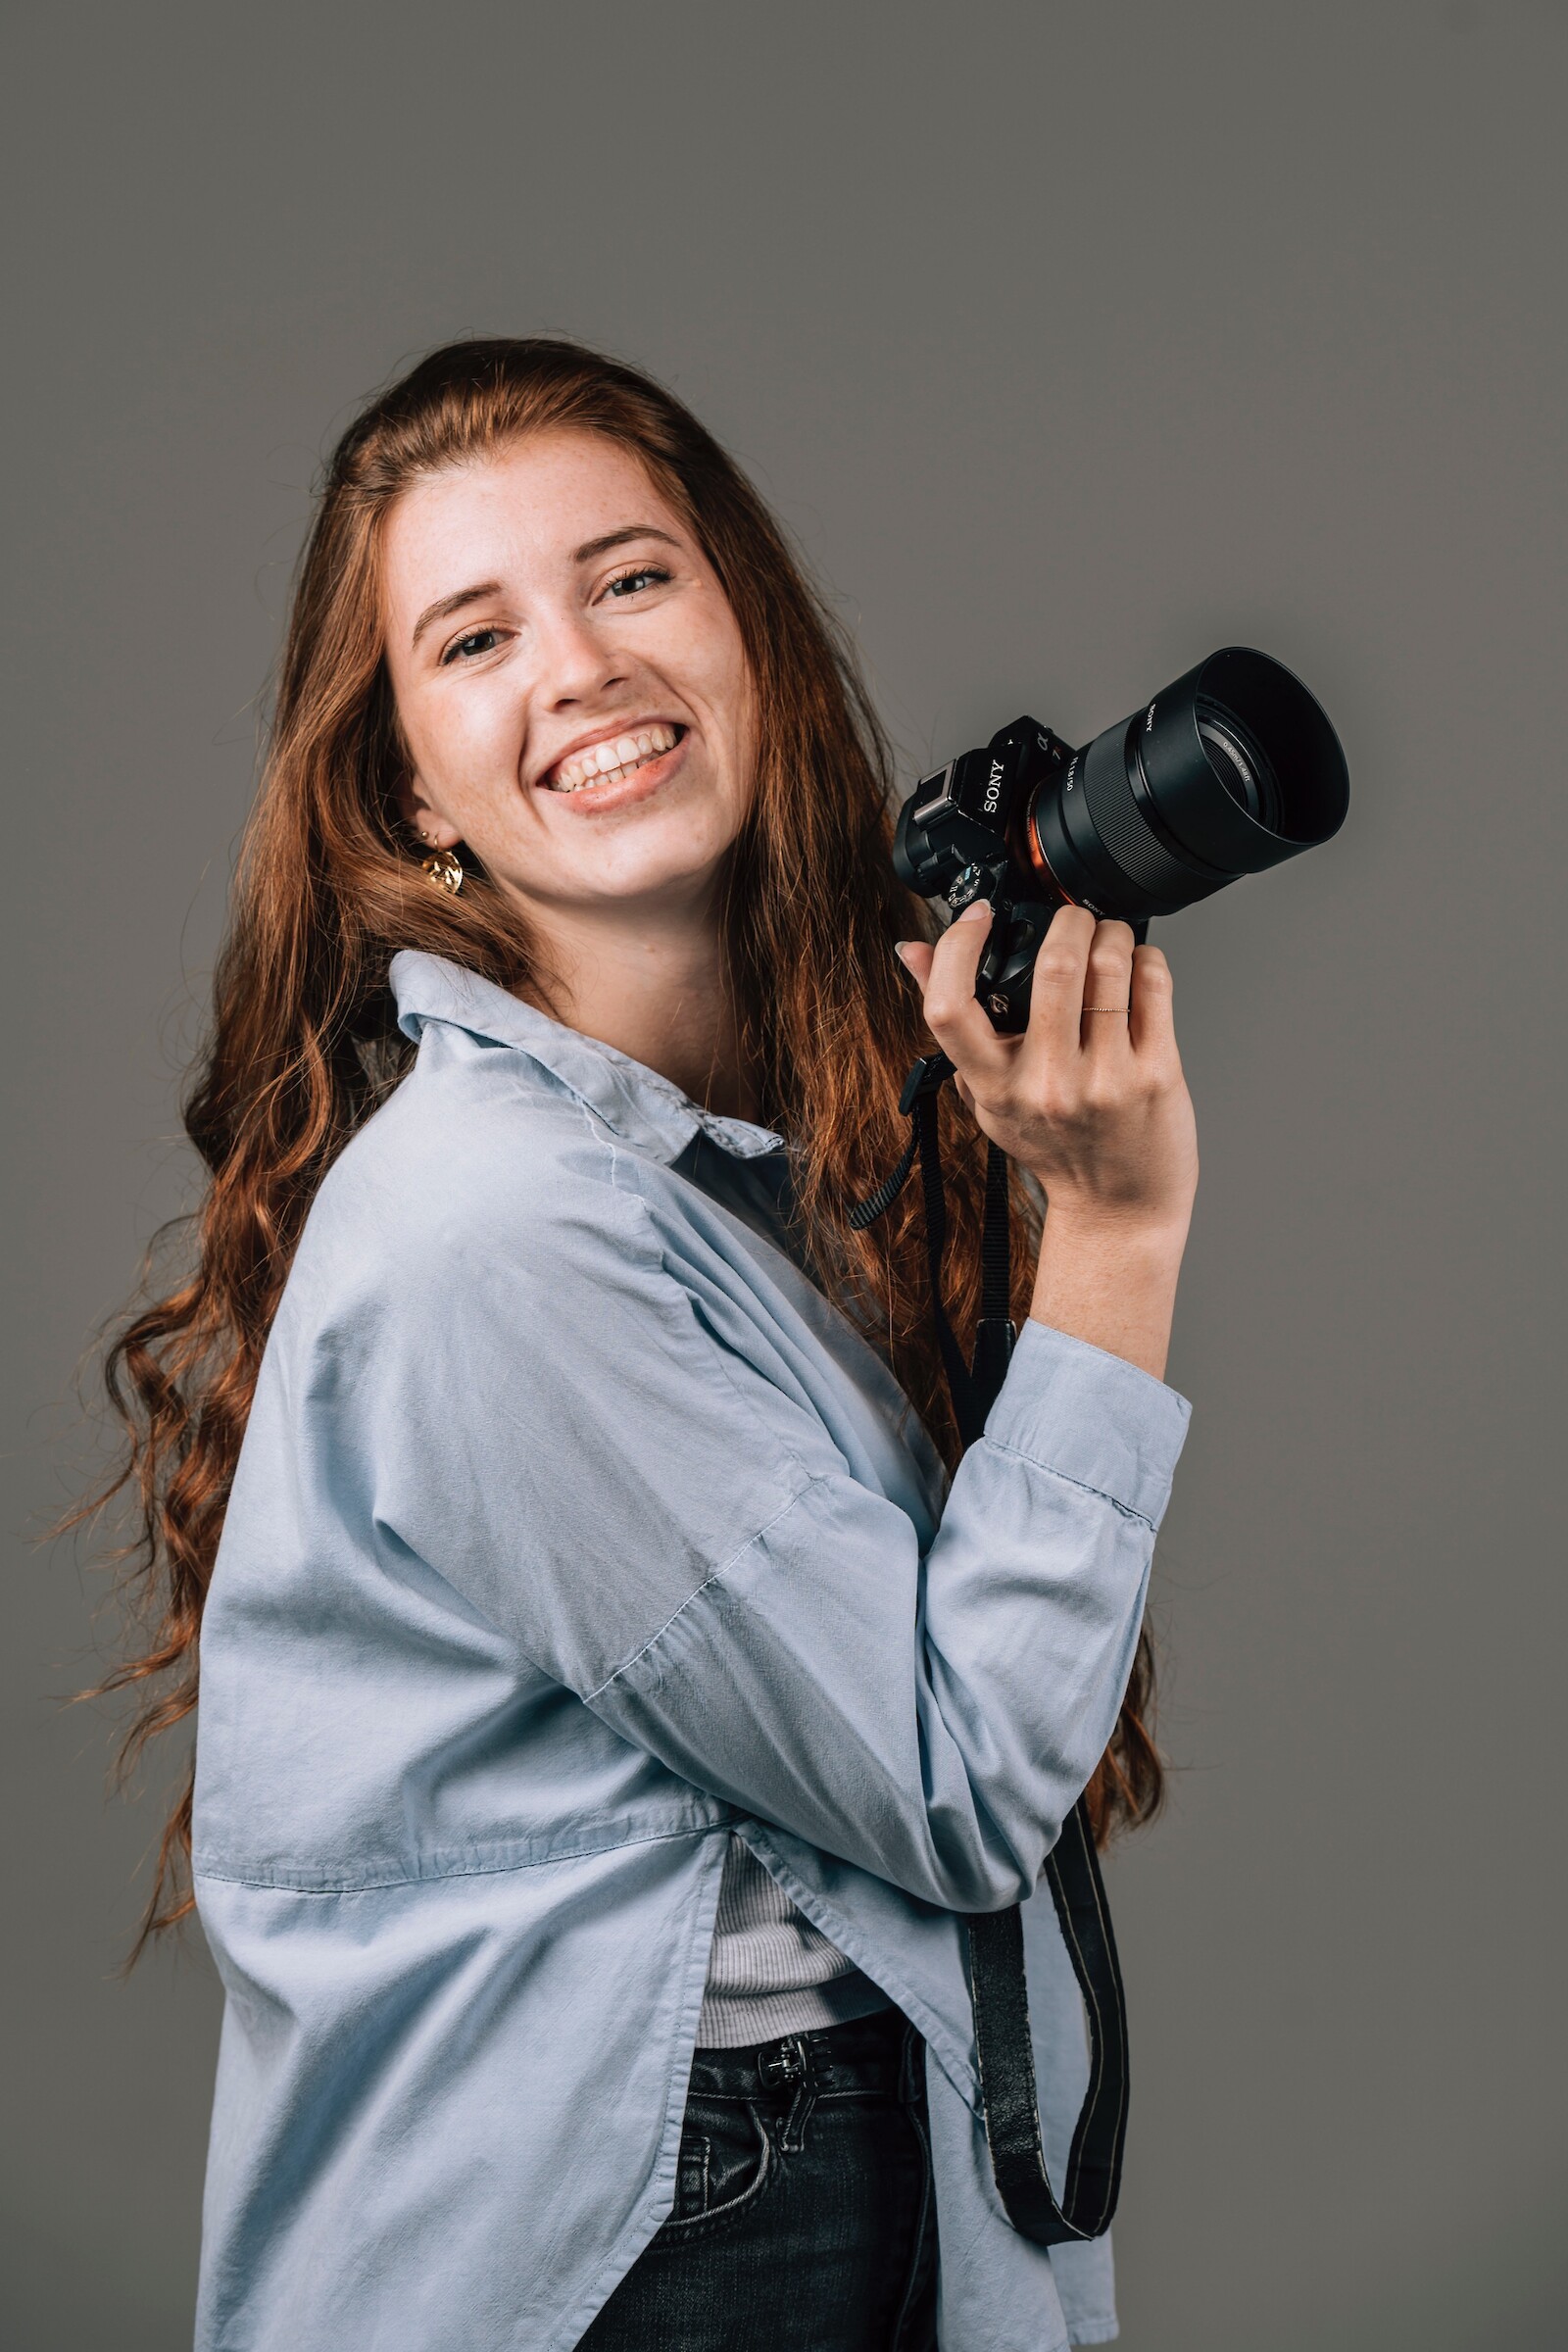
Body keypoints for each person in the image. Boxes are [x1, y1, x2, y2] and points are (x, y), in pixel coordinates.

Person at [92, 338, 1197, 2351]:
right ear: (403, 783)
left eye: (628, 580)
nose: (579, 666)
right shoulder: (496, 1228)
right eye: (474, 636)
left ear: (743, 629)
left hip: (793, 2153)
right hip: (673, 2222)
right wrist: (1116, 1234)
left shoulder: (741, 1165)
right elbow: (951, 1782)